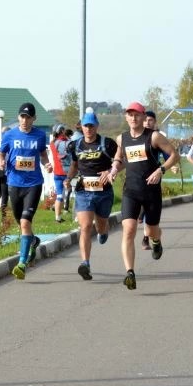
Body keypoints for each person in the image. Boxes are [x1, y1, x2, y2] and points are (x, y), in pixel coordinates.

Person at [113, 101, 180, 290]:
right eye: (130, 115)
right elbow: (120, 157)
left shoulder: (154, 137)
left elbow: (174, 155)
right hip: (131, 191)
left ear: (143, 118)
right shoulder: (122, 139)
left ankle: (156, 240)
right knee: (129, 229)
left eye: (137, 115)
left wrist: (161, 170)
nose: (133, 118)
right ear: (126, 117)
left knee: (151, 230)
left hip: (151, 191)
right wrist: (113, 169)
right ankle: (130, 273)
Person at [0, 102, 50, 280]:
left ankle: (21, 263)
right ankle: (33, 241)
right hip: (14, 183)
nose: (25, 120)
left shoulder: (40, 136)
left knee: (25, 221)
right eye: (22, 116)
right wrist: (1, 162)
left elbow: (43, 155)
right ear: (18, 117)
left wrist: (47, 164)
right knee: (20, 222)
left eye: (28, 117)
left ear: (34, 118)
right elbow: (1, 153)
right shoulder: (9, 135)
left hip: (33, 184)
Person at [64, 111, 119, 280]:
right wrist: (68, 178)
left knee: (101, 226)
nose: (88, 129)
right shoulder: (75, 145)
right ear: (81, 127)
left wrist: (110, 171)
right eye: (86, 126)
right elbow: (74, 164)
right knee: (86, 226)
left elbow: (120, 161)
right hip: (84, 191)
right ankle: (85, 263)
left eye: (91, 126)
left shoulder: (108, 144)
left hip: (104, 192)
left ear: (97, 126)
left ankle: (103, 232)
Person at [48, 123, 73, 223]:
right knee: (72, 191)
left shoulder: (52, 143)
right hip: (67, 172)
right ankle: (71, 213)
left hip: (57, 172)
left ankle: (57, 217)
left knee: (59, 195)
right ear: (62, 131)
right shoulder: (66, 142)